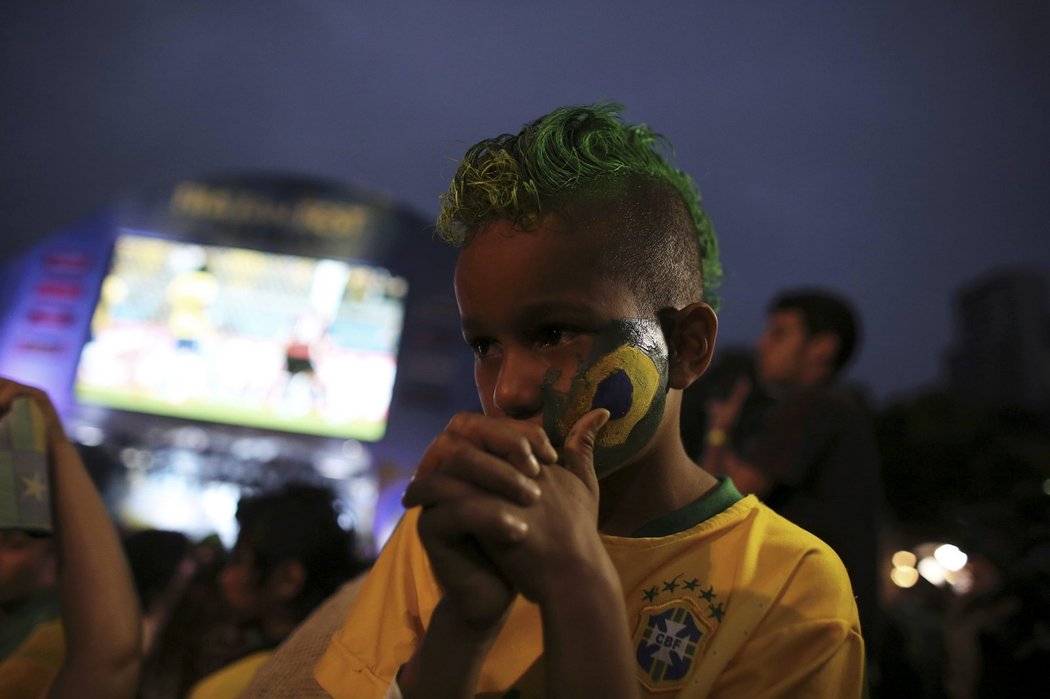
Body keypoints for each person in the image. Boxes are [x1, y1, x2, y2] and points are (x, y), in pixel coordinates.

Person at [313, 103, 864, 698]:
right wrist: (459, 634)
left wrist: (578, 589)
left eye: (554, 333)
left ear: (686, 347)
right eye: (484, 344)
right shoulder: (447, 531)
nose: (509, 390)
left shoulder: (790, 589)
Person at [701, 290, 885, 683]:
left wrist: (718, 430)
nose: (761, 343)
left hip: (809, 629)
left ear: (822, 348)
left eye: (779, 333)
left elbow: (721, 500)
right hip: (838, 628)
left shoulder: (813, 406)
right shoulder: (839, 409)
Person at [0, 378, 141, 699]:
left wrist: (56, 442)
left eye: (15, 543)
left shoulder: (44, 636)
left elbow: (110, 660)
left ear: (55, 554)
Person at [185, 483, 365, 699]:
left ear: (288, 580)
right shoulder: (348, 669)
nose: (225, 577)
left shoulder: (230, 688)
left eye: (240, 561)